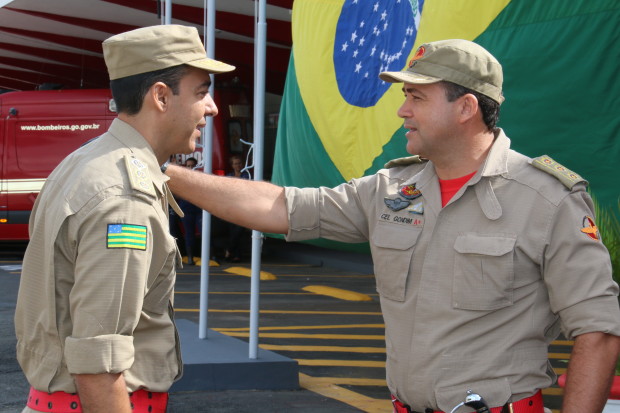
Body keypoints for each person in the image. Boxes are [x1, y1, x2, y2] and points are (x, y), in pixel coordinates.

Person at [164, 39, 620, 412]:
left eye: (417, 98)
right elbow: (281, 207)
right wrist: (165, 173)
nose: (403, 111)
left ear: (466, 108)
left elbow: (597, 332)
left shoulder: (547, 200)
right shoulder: (392, 188)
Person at [14, 24, 234, 413]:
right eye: (201, 92)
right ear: (161, 97)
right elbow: (99, 362)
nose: (212, 107)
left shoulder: (86, 161)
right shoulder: (124, 197)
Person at [225, 154, 250, 262]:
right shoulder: (229, 176)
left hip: (243, 208)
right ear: (232, 165)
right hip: (231, 208)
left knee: (239, 231)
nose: (238, 165)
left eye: (239, 163)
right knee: (233, 231)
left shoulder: (247, 175)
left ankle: (229, 250)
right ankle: (236, 255)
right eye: (235, 163)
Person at [178, 157, 202, 265]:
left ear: (197, 166)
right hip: (186, 209)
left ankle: (211, 256)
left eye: (193, 165)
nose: (191, 168)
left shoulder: (201, 178)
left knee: (204, 231)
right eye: (188, 166)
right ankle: (190, 257)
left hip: (199, 209)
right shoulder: (182, 179)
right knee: (189, 233)